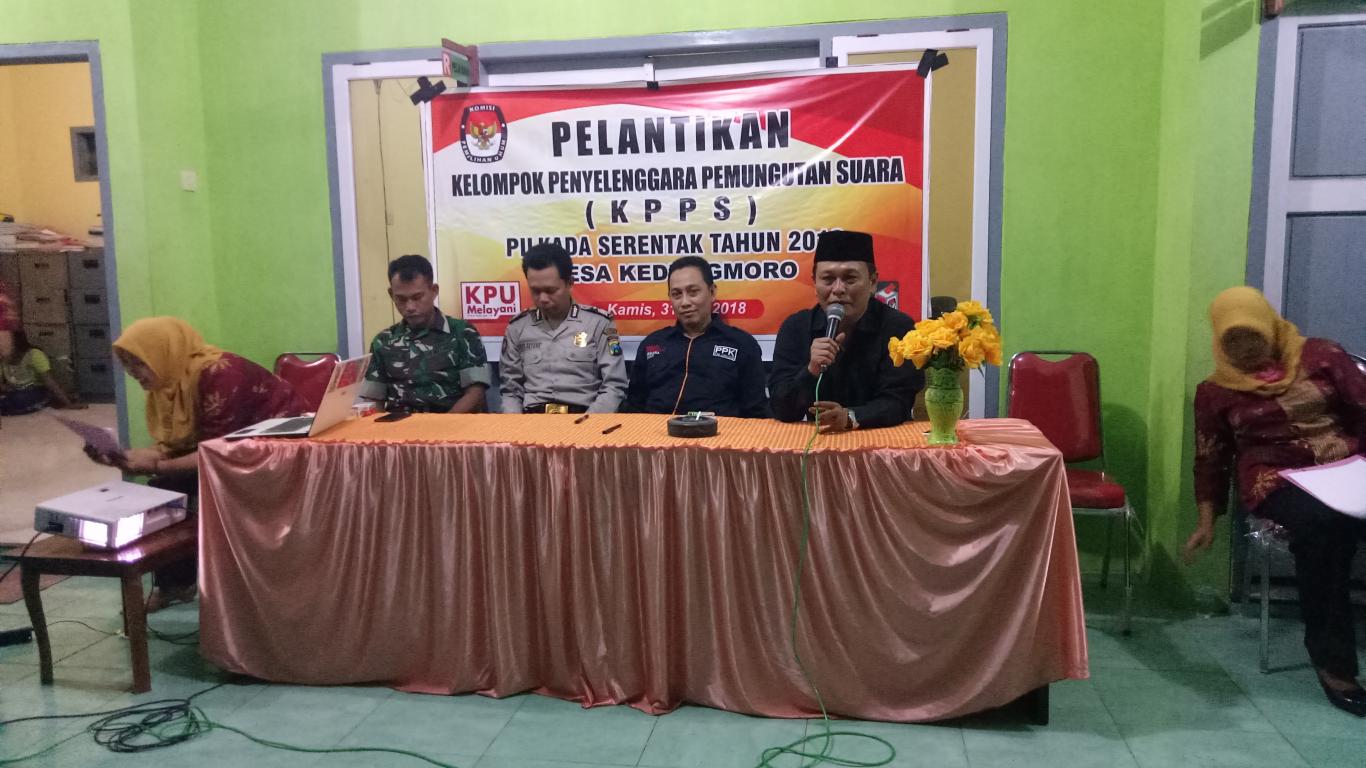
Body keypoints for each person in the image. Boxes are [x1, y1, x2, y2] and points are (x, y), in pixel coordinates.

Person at [1183, 286, 1366, 716]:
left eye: (1254, 339)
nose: (1247, 353)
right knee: (1323, 528)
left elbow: (1363, 410)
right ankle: (1333, 662)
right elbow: (1211, 457)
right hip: (1275, 479)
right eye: (1234, 343)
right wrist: (1206, 521)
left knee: (1338, 528)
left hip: (1346, 465)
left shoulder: (1322, 356)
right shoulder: (1214, 392)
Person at [87, 317, 308, 611]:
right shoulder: (170, 382)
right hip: (236, 452)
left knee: (172, 485)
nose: (132, 373)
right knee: (163, 489)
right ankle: (176, 584)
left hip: (281, 454)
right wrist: (125, 457)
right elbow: (178, 445)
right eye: (126, 364)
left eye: (138, 362)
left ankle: (235, 586)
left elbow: (215, 453)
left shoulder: (221, 373)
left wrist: (156, 465)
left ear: (162, 351)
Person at [769, 230, 923, 432]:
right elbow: (781, 409)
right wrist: (811, 371)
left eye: (850, 279)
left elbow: (898, 402)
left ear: (872, 282)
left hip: (880, 439)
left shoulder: (898, 327)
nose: (838, 289)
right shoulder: (796, 327)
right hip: (816, 440)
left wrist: (850, 416)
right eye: (828, 279)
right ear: (814, 283)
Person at [623, 256, 768, 417]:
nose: (685, 302)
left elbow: (756, 413)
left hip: (719, 431)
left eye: (693, 292)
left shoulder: (741, 344)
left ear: (712, 292)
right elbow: (633, 408)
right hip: (655, 430)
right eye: (677, 294)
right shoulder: (652, 344)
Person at [500, 243, 627, 414]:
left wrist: (589, 423)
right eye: (535, 291)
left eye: (550, 290)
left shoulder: (598, 324)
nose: (543, 298)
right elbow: (510, 391)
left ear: (570, 283)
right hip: (532, 419)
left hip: (584, 417)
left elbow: (614, 386)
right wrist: (516, 425)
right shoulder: (517, 328)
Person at [361, 254, 491, 413]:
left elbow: (476, 393)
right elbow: (374, 400)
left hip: (453, 422)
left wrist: (442, 426)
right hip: (398, 425)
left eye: (417, 297)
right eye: (401, 299)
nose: (410, 307)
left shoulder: (463, 333)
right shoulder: (383, 342)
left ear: (434, 291)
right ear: (391, 294)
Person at [0, 329, 85, 414]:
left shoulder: (34, 355)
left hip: (34, 391)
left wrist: (68, 403)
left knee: (19, 399)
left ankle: (46, 401)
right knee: (10, 400)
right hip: (14, 392)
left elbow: (51, 383)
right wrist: (6, 388)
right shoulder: (3, 359)